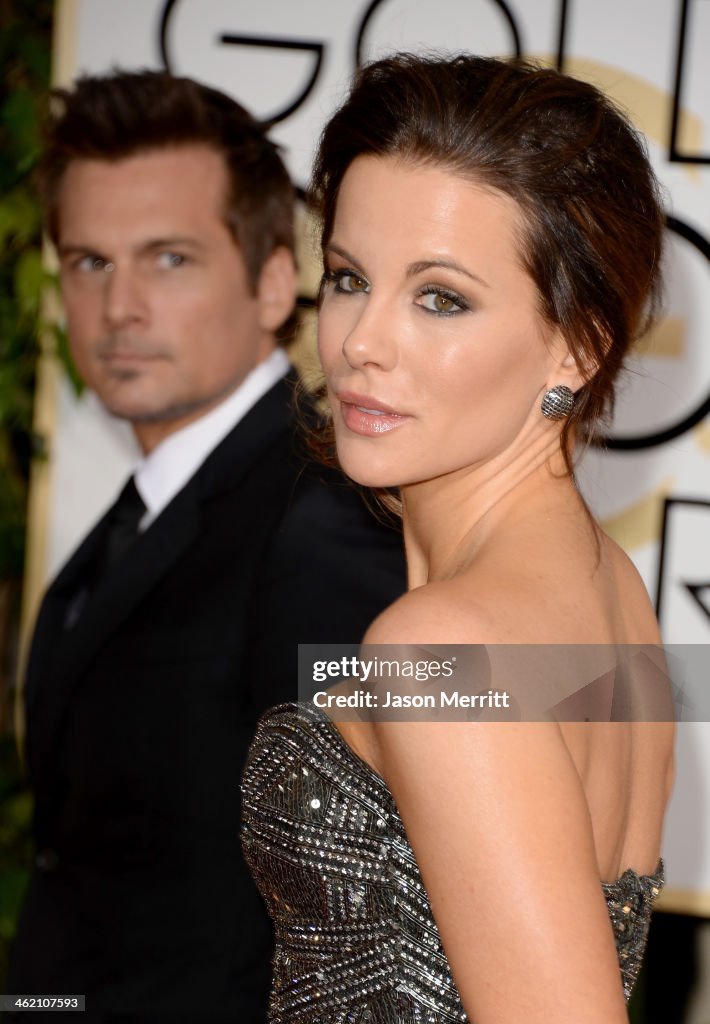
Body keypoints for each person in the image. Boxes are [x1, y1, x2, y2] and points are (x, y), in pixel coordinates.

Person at [240, 54, 675, 1022]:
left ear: (576, 342)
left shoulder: (436, 648)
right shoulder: (610, 588)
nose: (361, 340)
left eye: (439, 297)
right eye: (348, 278)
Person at [9, 71, 406, 1021]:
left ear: (276, 281)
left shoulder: (323, 522)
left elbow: (373, 910)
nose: (120, 307)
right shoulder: (148, 507)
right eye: (89, 262)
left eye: (169, 259)